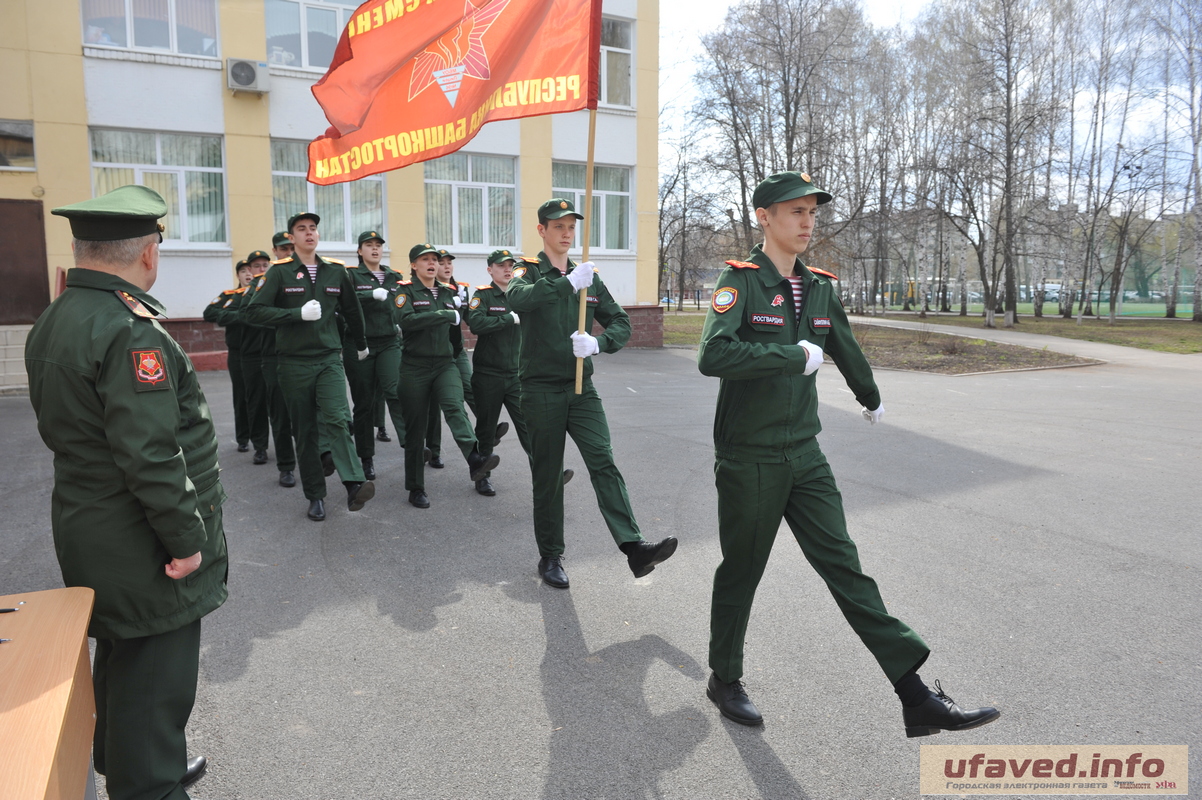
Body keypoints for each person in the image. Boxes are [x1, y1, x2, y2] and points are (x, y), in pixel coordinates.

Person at [697, 171, 1001, 735]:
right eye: (795, 212)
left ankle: (915, 696)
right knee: (742, 570)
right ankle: (724, 675)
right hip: (750, 456)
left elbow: (841, 342)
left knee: (846, 567)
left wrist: (871, 395)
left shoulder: (819, 286)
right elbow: (714, 355)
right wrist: (792, 357)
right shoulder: (739, 282)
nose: (808, 222)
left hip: (804, 453)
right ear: (764, 217)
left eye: (813, 212)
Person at [25, 184, 226, 798]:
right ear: (146, 253)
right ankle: (150, 780)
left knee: (122, 656)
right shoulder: (129, 329)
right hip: (142, 538)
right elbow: (151, 455)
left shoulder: (59, 316)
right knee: (154, 676)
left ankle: (130, 761)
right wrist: (188, 542)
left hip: (92, 525)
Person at [506, 198, 677, 589]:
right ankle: (550, 555)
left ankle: (633, 548)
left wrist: (599, 345)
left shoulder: (589, 275)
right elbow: (517, 299)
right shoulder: (527, 271)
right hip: (540, 389)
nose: (566, 233)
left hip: (581, 388)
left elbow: (619, 321)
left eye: (571, 226)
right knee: (548, 475)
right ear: (542, 231)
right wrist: (566, 283)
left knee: (603, 460)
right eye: (558, 226)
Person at [245, 212, 374, 521]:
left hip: (329, 357)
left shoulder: (335, 271)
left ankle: (354, 483)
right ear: (292, 238)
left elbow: (353, 310)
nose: (308, 233)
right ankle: (315, 494)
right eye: (301, 229)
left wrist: (360, 342)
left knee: (336, 419)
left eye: (313, 228)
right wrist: (295, 315)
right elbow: (254, 312)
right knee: (304, 430)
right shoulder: (278, 273)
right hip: (293, 362)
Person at [395, 243, 499, 508]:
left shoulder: (449, 291)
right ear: (414, 265)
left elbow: (462, 324)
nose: (432, 263)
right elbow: (406, 321)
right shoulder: (404, 291)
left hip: (444, 364)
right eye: (426, 260)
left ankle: (475, 459)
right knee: (416, 429)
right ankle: (415, 487)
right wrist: (441, 314)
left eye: (435, 259)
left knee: (455, 407)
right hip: (414, 367)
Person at [466, 248, 574, 496]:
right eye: (500, 265)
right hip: (488, 375)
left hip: (516, 375)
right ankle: (482, 476)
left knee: (529, 427)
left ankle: (547, 476)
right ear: (490, 270)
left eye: (509, 265)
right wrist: (508, 319)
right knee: (485, 428)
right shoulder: (482, 296)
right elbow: (476, 324)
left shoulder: (522, 295)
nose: (506, 269)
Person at [346, 230, 408, 480]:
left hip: (389, 342)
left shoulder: (395, 277)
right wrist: (368, 294)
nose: (374, 249)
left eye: (378, 245)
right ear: (360, 251)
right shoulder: (350, 275)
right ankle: (366, 458)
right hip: (359, 344)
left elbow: (404, 302)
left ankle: (411, 445)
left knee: (395, 391)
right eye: (368, 245)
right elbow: (344, 301)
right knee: (364, 402)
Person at [424, 248, 479, 468]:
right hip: (433, 355)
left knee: (470, 388)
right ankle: (433, 450)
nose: (446, 266)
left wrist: (466, 306)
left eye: (449, 263)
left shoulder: (461, 289)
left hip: (456, 353)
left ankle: (487, 430)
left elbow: (472, 321)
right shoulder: (430, 291)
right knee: (434, 406)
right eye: (442, 262)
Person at [202, 259, 253, 452]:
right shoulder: (230, 296)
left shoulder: (263, 293)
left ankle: (262, 438)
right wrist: (242, 316)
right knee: (241, 395)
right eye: (243, 271)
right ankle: (243, 437)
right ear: (238, 275)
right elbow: (209, 313)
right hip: (238, 353)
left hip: (261, 352)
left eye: (251, 270)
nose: (248, 274)